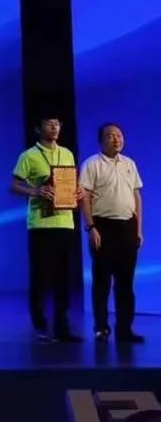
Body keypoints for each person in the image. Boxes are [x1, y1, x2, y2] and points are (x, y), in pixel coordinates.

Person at [11, 112, 86, 342]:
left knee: (64, 277)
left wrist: (78, 191)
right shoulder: (29, 155)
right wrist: (36, 191)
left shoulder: (67, 153)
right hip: (41, 223)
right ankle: (40, 325)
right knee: (41, 276)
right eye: (49, 123)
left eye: (57, 123)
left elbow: (71, 182)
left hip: (65, 221)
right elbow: (15, 185)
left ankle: (62, 326)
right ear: (38, 128)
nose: (54, 127)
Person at [80, 122, 145, 342]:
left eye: (119, 135)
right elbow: (85, 197)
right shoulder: (92, 164)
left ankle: (125, 329)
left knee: (126, 283)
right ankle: (101, 328)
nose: (116, 139)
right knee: (102, 281)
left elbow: (136, 197)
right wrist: (91, 227)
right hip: (103, 227)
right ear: (101, 141)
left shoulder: (129, 163)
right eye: (111, 136)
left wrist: (138, 229)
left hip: (127, 227)